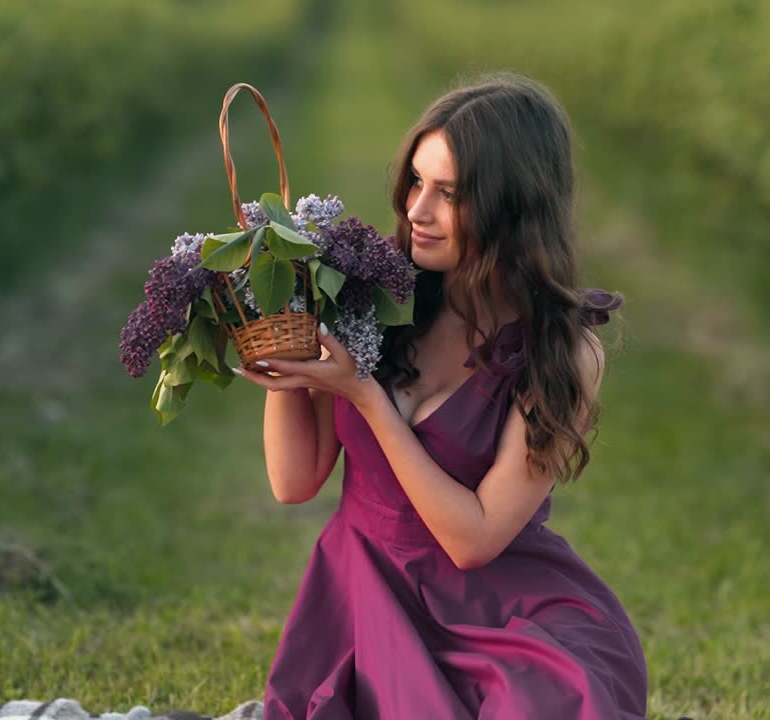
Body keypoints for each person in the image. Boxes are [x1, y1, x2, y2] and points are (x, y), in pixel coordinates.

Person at [231, 72, 647, 719]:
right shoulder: (372, 293)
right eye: (415, 184)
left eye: (447, 194)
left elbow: (473, 541)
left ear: (514, 205)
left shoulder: (561, 351)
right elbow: (294, 481)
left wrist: (365, 396)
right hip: (365, 600)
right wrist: (288, 359)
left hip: (508, 621)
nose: (416, 212)